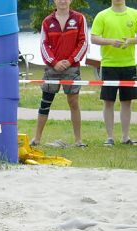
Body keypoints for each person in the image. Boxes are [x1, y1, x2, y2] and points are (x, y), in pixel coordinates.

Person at [33, 0, 88, 148]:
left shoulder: (79, 19)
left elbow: (83, 43)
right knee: (45, 103)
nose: (62, 1)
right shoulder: (47, 21)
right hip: (52, 68)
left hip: (72, 68)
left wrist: (70, 61)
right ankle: (37, 139)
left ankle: (78, 140)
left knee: (74, 103)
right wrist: (54, 62)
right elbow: (43, 44)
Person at [89, 0, 137, 146]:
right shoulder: (102, 15)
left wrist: (131, 40)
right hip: (109, 65)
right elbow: (93, 38)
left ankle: (125, 137)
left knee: (126, 102)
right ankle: (109, 137)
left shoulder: (134, 13)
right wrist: (110, 41)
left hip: (129, 65)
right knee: (108, 102)